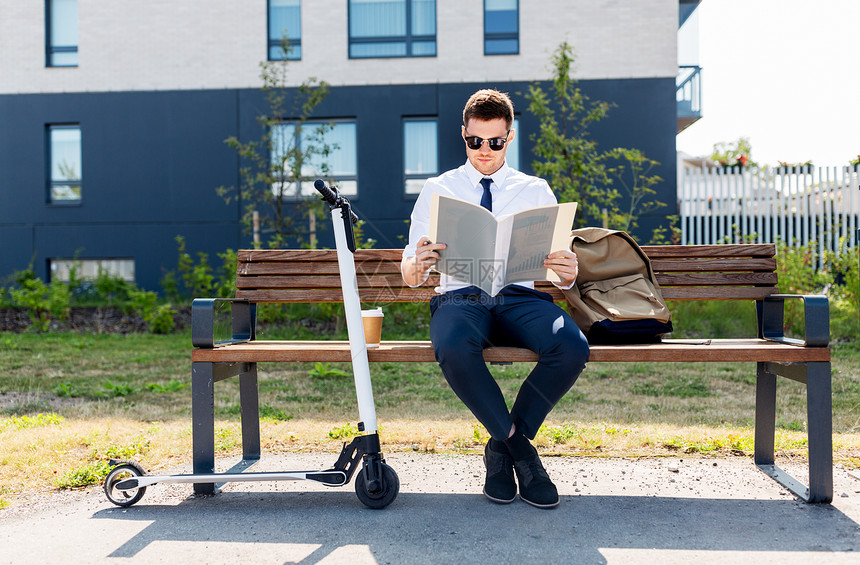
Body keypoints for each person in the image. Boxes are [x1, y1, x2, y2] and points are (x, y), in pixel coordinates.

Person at [401, 89, 590, 508]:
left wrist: (568, 272)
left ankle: (502, 449)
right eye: (475, 141)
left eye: (495, 142)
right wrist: (416, 267)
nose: (484, 150)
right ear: (463, 135)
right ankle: (520, 450)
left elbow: (561, 274)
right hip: (461, 295)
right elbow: (411, 268)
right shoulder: (438, 189)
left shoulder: (535, 189)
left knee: (572, 345)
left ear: (510, 137)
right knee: (452, 344)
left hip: (519, 294)